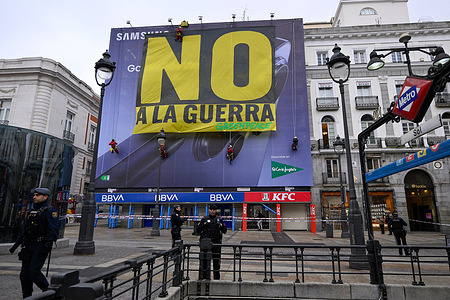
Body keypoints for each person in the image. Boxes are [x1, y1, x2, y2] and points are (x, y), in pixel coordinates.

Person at [9, 188, 59, 298]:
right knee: (24, 275)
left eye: (37, 195)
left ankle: (51, 293)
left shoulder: (50, 211)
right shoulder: (33, 211)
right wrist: (16, 244)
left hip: (40, 246)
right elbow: (26, 229)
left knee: (33, 272)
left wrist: (47, 245)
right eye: (34, 195)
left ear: (45, 197)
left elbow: (53, 230)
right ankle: (27, 296)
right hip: (28, 246)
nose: (34, 197)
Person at [196, 204, 227, 280]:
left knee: (216, 262)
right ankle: (204, 278)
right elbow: (197, 230)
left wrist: (221, 226)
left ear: (216, 210)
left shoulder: (219, 219)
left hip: (216, 244)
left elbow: (224, 230)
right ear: (209, 210)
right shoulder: (204, 219)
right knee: (205, 262)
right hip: (206, 244)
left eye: (214, 210)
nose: (212, 211)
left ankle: (216, 279)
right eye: (211, 210)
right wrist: (203, 225)